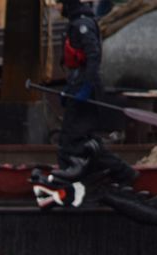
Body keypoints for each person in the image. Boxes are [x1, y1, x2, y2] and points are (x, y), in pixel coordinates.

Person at [56, 0, 137, 185]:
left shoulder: (82, 25)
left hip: (84, 88)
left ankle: (119, 172)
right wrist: (68, 89)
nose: (57, 7)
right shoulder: (77, 22)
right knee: (77, 138)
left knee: (73, 139)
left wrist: (85, 88)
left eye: (59, 3)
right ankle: (101, 175)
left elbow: (93, 56)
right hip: (77, 85)